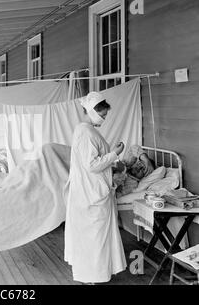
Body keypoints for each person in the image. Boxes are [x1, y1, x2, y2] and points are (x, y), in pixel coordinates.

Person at [64, 91, 127, 284]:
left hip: (90, 190)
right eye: (103, 115)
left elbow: (92, 162)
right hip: (90, 193)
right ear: (92, 112)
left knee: (94, 236)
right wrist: (115, 154)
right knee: (93, 237)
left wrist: (112, 163)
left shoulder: (87, 130)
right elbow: (92, 165)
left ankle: (96, 274)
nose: (105, 119)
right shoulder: (86, 132)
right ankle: (91, 275)